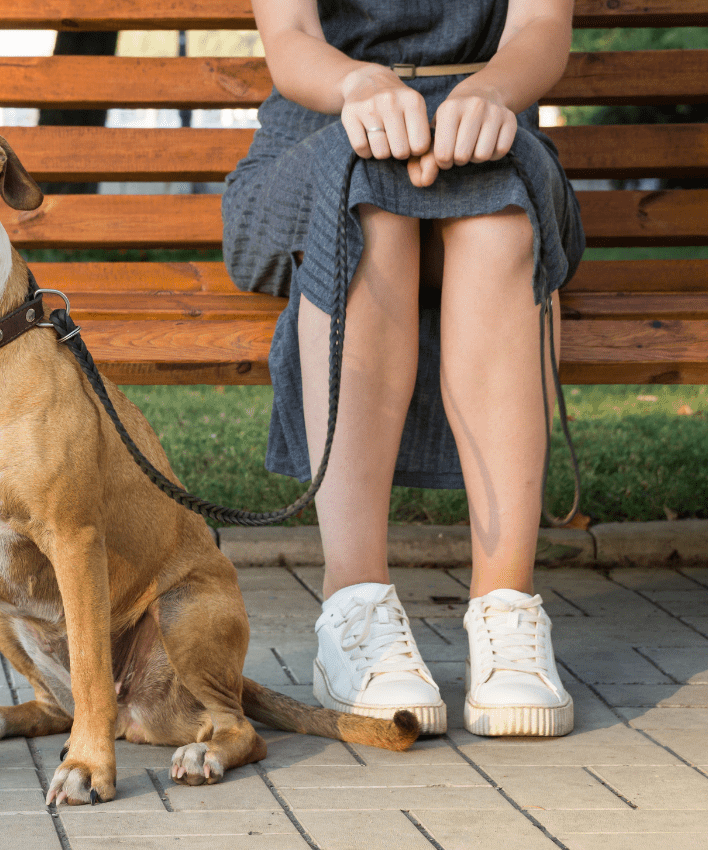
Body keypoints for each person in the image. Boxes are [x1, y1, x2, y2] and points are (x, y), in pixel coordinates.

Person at [222, 0, 584, 736]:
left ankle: (506, 611)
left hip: (487, 128)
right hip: (321, 134)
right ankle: (355, 607)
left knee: (501, 214)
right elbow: (290, 40)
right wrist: (359, 86)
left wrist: (489, 92)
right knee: (373, 210)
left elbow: (539, 31)